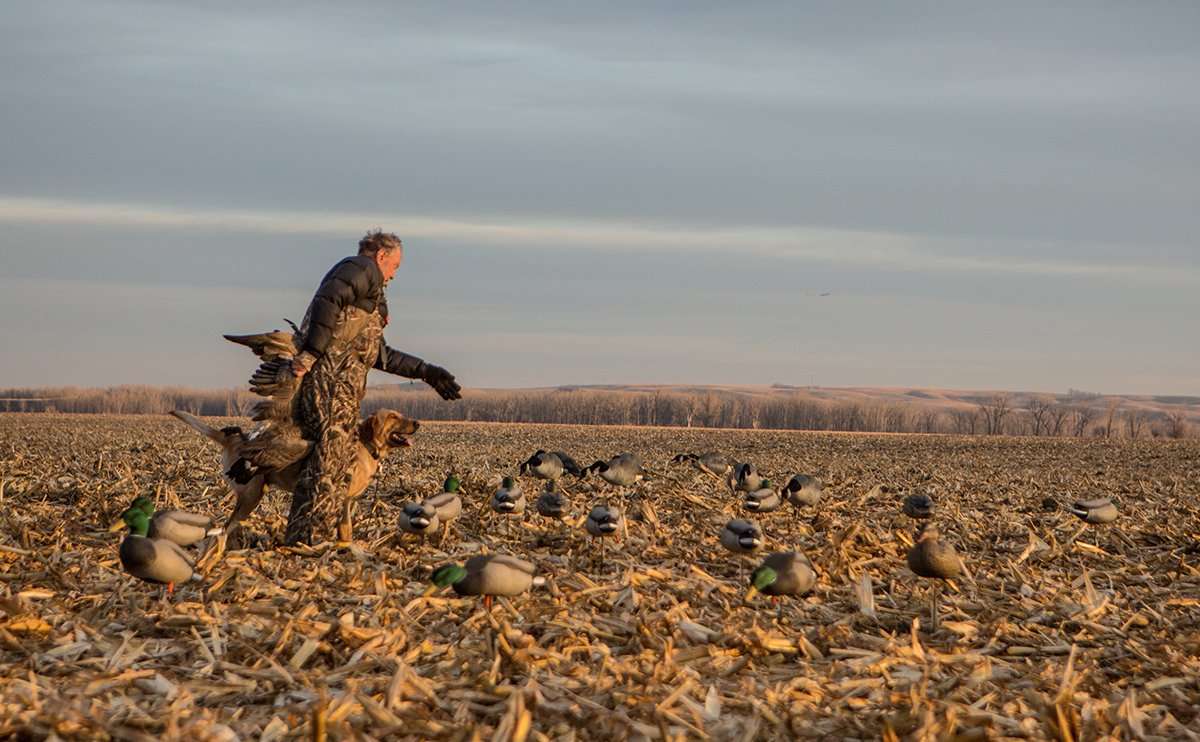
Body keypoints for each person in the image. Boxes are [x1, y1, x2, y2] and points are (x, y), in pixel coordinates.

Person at [284, 230, 461, 545]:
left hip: (342, 394)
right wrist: (311, 352)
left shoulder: (367, 291)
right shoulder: (360, 269)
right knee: (329, 465)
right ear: (381, 256)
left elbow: (379, 355)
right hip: (329, 388)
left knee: (333, 466)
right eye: (395, 266)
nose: (394, 274)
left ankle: (309, 538)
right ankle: (309, 540)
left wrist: (426, 371)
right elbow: (329, 297)